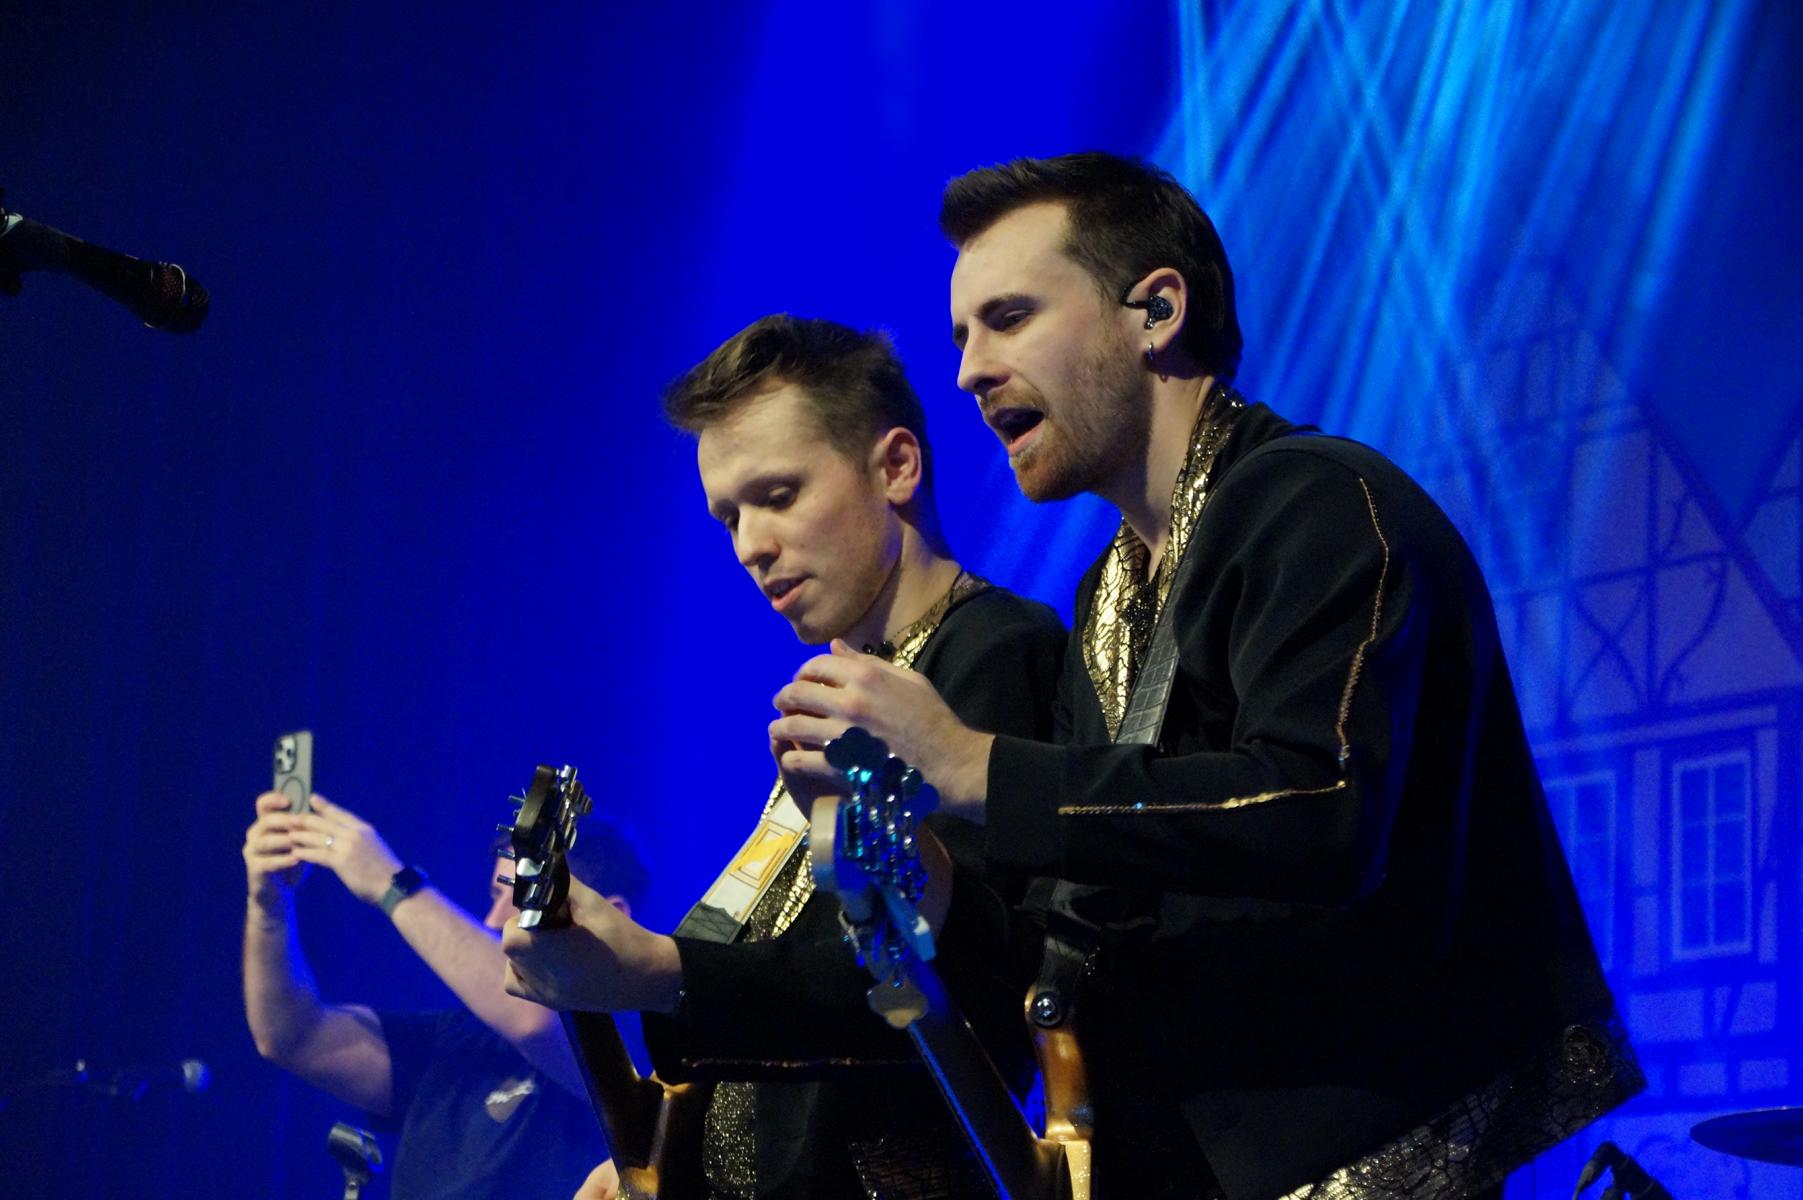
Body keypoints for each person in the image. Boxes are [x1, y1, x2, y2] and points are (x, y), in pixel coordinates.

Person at [768, 153, 1642, 1200]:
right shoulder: (1108, 593)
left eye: (1008, 319)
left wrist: (975, 764)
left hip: (1366, 1158)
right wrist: (915, 858)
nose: (969, 371)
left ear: (1156, 311)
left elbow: (1317, 806)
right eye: (961, 336)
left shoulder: (1320, 504)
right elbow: (1078, 917)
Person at [501, 314, 1066, 1199]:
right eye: (729, 516)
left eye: (777, 495)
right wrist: (665, 1153)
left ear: (896, 467)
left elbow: (939, 983)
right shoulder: (838, 695)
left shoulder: (992, 651)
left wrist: (656, 970)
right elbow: (783, 972)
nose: (748, 546)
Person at [242, 791, 645, 1199]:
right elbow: (294, 1036)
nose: (493, 920)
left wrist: (389, 882)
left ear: (610, 916)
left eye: (523, 896)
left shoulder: (645, 1032)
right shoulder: (457, 1036)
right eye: (496, 896)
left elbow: (533, 1021)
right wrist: (270, 907)